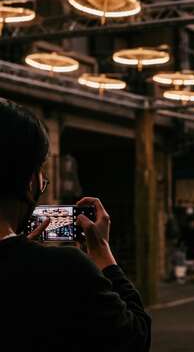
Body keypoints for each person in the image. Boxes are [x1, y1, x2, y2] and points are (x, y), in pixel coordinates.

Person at [0, 99, 151, 351]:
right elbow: (136, 337)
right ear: (29, 183)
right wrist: (103, 253)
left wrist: (20, 252)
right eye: (41, 172)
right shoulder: (66, 269)